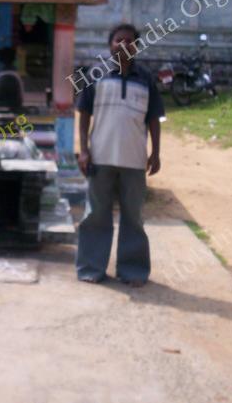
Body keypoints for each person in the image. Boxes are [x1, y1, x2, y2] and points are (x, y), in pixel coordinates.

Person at [75, 23, 164, 287]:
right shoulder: (95, 75)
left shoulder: (146, 79)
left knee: (133, 218)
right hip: (100, 158)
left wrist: (156, 153)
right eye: (118, 40)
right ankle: (91, 268)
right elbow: (84, 114)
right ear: (110, 45)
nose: (124, 45)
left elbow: (154, 118)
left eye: (129, 41)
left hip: (134, 161)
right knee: (95, 215)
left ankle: (133, 271)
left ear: (136, 46)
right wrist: (84, 150)